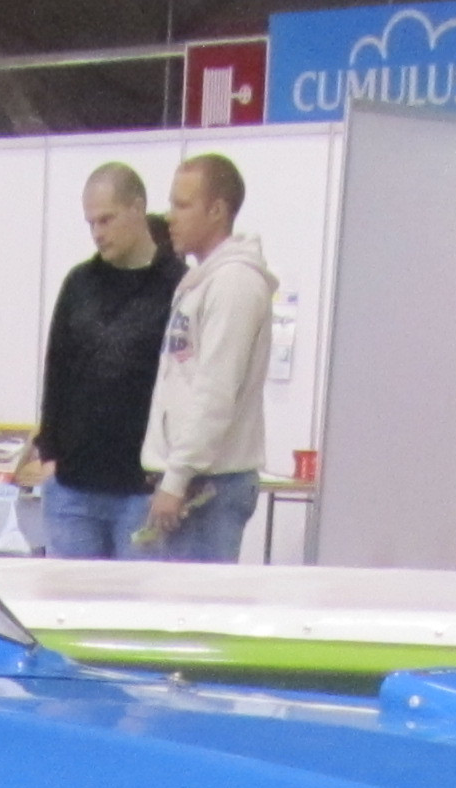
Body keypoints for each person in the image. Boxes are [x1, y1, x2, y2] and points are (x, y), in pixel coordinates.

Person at [22, 161, 178, 560]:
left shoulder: (177, 285)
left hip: (142, 491)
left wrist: (175, 477)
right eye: (90, 223)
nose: (98, 233)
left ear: (138, 208)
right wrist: (50, 454)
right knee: (71, 612)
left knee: (138, 614)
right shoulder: (79, 284)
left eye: (106, 219)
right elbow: (57, 370)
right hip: (73, 488)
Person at [138, 153, 273, 562]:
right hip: (195, 480)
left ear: (217, 211)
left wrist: (176, 480)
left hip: (207, 487)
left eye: (182, 205)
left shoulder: (234, 284)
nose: (169, 217)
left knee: (192, 615)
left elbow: (214, 390)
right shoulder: (201, 282)